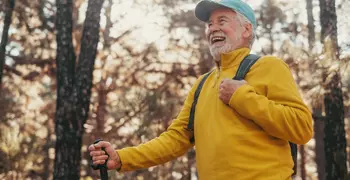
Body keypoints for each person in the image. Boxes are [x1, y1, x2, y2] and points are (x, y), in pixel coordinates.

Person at [89, 0, 313, 179]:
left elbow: (301, 127)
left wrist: (242, 96)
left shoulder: (269, 66)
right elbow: (176, 139)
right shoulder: (202, 85)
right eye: (209, 24)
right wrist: (121, 158)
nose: (213, 28)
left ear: (246, 29)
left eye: (222, 20)